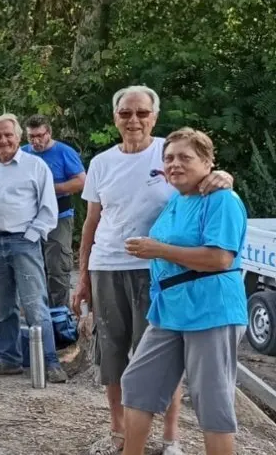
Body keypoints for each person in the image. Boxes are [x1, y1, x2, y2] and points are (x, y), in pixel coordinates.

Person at [72, 86, 233, 455]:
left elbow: (204, 180)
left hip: (162, 271)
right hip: (107, 266)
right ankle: (120, 433)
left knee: (162, 356)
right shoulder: (101, 163)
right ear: (115, 117)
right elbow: (90, 223)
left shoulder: (171, 154)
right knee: (111, 353)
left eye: (142, 113)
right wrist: (83, 276)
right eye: (126, 113)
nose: (134, 120)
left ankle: (171, 438)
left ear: (154, 117)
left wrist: (224, 176)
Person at [121, 128, 247, 455]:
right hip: (170, 310)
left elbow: (220, 258)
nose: (174, 164)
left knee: (212, 401)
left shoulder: (222, 200)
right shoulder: (177, 198)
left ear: (207, 162)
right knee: (137, 383)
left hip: (211, 311)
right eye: (169, 158)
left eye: (184, 157)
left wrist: (159, 250)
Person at [0, 113, 68, 383]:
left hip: (24, 240)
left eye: (8, 135)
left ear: (18, 138)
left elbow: (48, 209)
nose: (3, 140)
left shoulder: (35, 166)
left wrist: (31, 236)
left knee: (35, 304)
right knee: (4, 305)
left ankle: (50, 362)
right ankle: (8, 359)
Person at [21, 114, 86, 309]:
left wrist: (51, 188)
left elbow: (82, 181)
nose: (36, 141)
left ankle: (59, 314)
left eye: (40, 135)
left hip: (58, 218)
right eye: (31, 136)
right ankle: (37, 313)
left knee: (57, 268)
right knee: (31, 268)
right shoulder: (23, 153)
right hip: (29, 219)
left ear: (49, 133)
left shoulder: (64, 152)